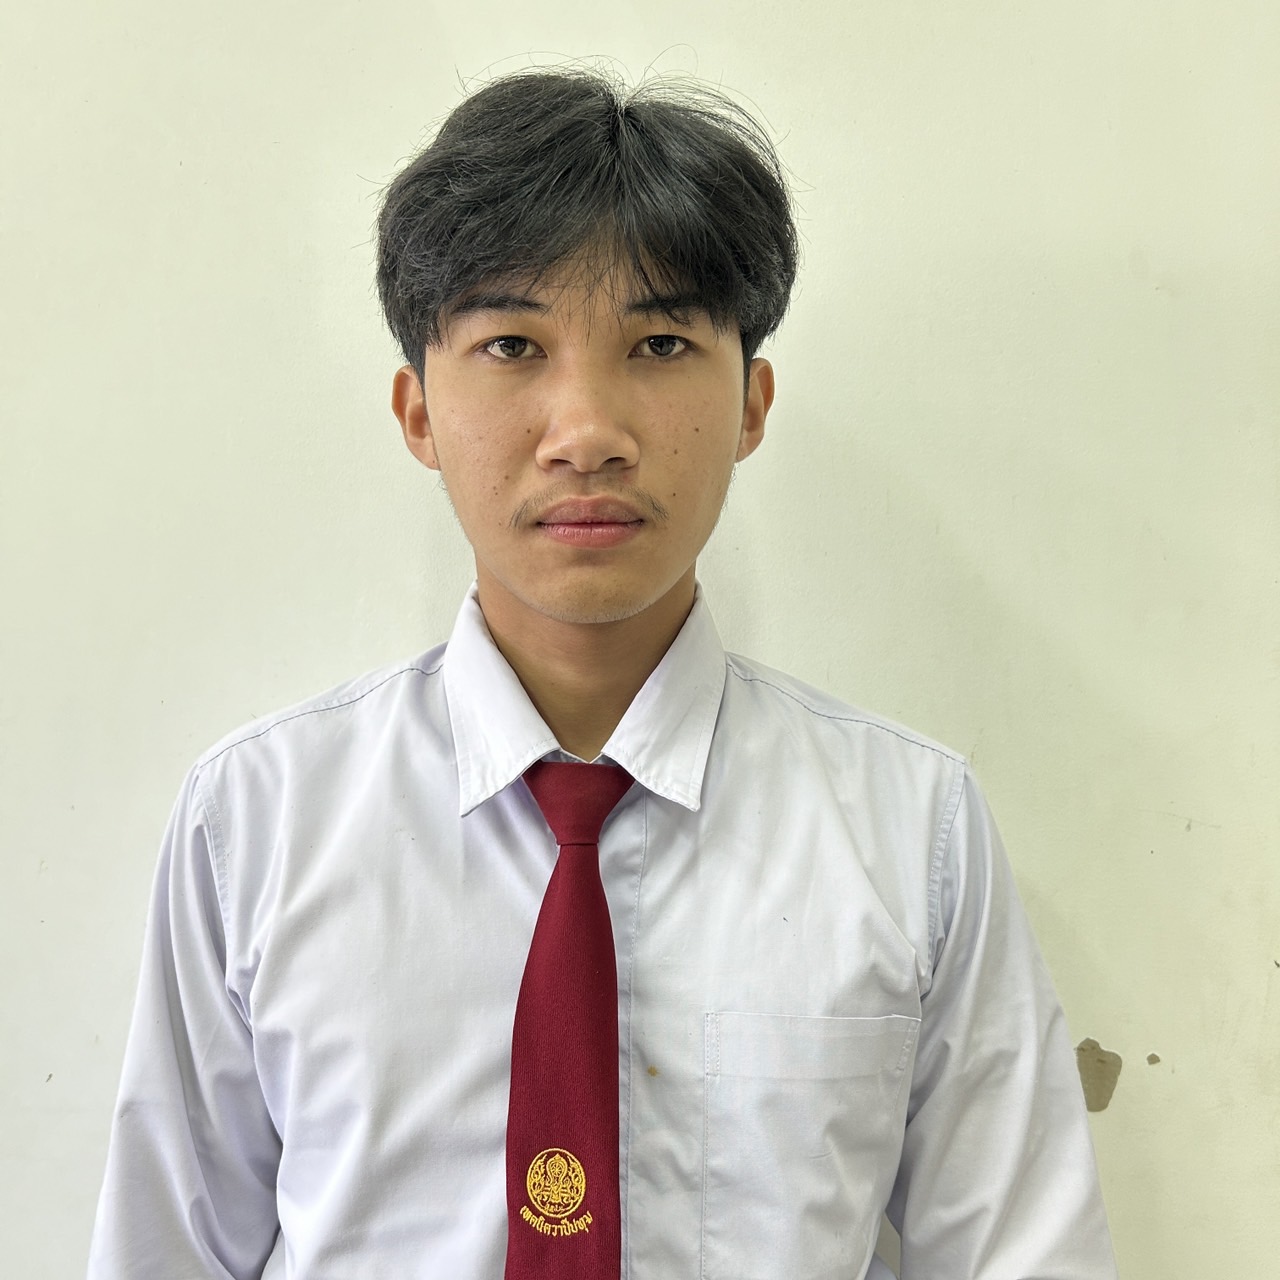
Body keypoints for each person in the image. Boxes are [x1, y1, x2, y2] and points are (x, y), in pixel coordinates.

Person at [88, 68, 1117, 1279]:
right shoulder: (256, 822)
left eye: (660, 342)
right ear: (418, 412)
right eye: (511, 345)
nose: (585, 431)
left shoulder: (908, 828)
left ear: (751, 402)